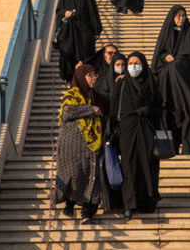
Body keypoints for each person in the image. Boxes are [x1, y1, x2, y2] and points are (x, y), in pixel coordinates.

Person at [152, 5, 190, 155]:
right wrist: (165, 57)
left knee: (188, 114)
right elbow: (157, 58)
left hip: (188, 82)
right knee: (170, 114)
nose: (181, 19)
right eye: (178, 16)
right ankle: (169, 149)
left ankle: (188, 151)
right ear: (172, 17)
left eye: (184, 15)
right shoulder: (166, 34)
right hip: (170, 86)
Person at [111, 51, 162, 221]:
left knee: (147, 164)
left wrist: (149, 110)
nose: (134, 66)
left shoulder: (151, 82)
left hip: (147, 129)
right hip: (127, 130)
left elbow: (160, 107)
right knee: (129, 165)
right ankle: (129, 205)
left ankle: (147, 200)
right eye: (131, 63)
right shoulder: (122, 83)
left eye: (137, 62)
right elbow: (114, 109)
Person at [55, 64, 108, 223]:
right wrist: (90, 110)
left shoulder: (94, 96)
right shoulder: (72, 94)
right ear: (80, 77)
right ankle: (70, 202)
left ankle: (87, 212)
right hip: (70, 144)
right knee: (74, 174)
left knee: (91, 174)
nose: (94, 78)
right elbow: (67, 112)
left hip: (90, 144)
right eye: (90, 75)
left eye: (95, 75)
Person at [55, 0, 102, 82]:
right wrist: (65, 13)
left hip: (85, 31)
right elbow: (59, 11)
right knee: (69, 54)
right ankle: (71, 78)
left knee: (85, 55)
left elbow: (93, 12)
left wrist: (96, 29)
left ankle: (85, 79)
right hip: (69, 32)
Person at [99, 53, 126, 212]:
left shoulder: (130, 83)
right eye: (118, 65)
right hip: (109, 131)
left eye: (123, 65)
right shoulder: (105, 84)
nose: (121, 68)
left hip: (127, 130)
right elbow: (104, 99)